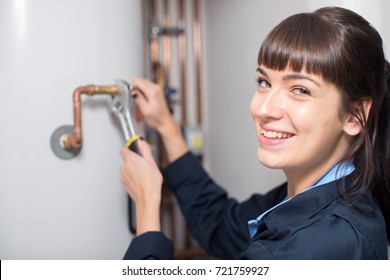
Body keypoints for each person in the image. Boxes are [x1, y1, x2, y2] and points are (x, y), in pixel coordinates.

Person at [120, 6, 390, 259]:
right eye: (264, 82)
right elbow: (220, 225)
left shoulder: (312, 247)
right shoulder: (321, 191)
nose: (263, 108)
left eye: (300, 90)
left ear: (355, 115)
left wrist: (146, 208)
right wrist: (166, 126)